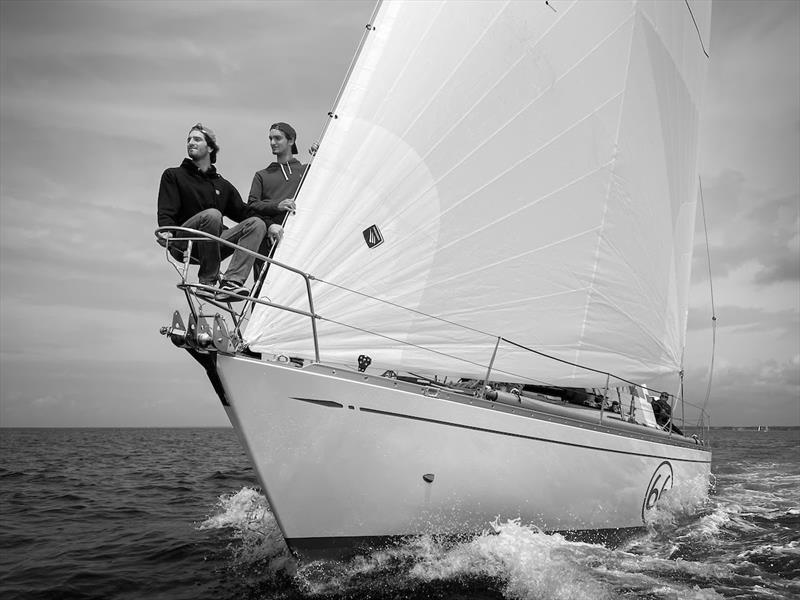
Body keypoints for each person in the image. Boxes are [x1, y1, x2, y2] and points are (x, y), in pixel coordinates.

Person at [157, 123, 266, 302]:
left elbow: (245, 213)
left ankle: (231, 282)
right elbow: (166, 209)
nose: (191, 142)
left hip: (214, 244)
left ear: (210, 147)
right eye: (189, 139)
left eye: (197, 139)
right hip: (185, 240)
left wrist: (272, 226)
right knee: (213, 215)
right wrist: (166, 231)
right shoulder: (173, 175)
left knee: (257, 223)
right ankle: (207, 281)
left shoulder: (222, 185)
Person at [246, 122, 311, 279]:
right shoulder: (262, 175)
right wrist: (277, 206)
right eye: (270, 138)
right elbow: (252, 205)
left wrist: (323, 153)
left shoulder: (307, 170)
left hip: (302, 241)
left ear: (291, 140)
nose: (272, 143)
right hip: (267, 241)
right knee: (261, 289)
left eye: (277, 138)